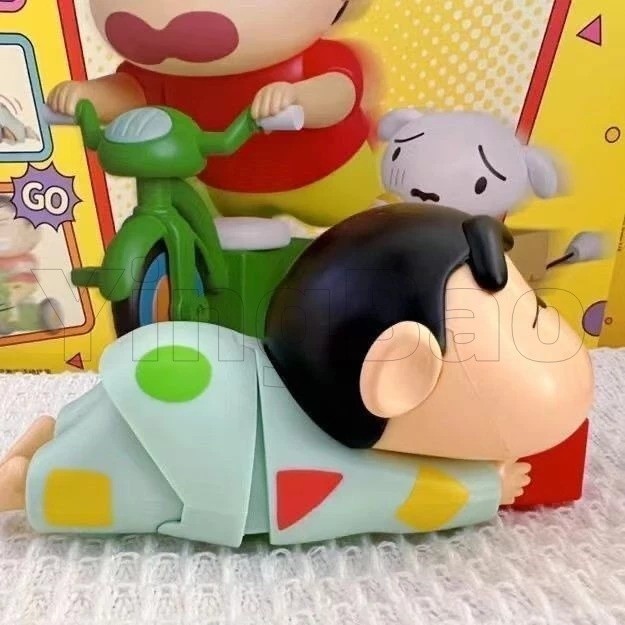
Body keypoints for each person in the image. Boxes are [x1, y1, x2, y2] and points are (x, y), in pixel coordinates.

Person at [0, 205, 594, 546]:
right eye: (534, 319)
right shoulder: (333, 473)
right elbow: (400, 499)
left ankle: (46, 448)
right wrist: (487, 490)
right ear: (402, 375)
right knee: (97, 487)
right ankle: (25, 482)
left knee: (88, 450)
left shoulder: (310, 394)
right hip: (184, 448)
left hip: (180, 390)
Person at [47, 1, 381, 228]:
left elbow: (340, 94)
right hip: (227, 194)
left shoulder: (315, 57)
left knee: (363, 232)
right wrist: (89, 97)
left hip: (329, 179)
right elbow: (132, 93)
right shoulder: (166, 74)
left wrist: (299, 98)